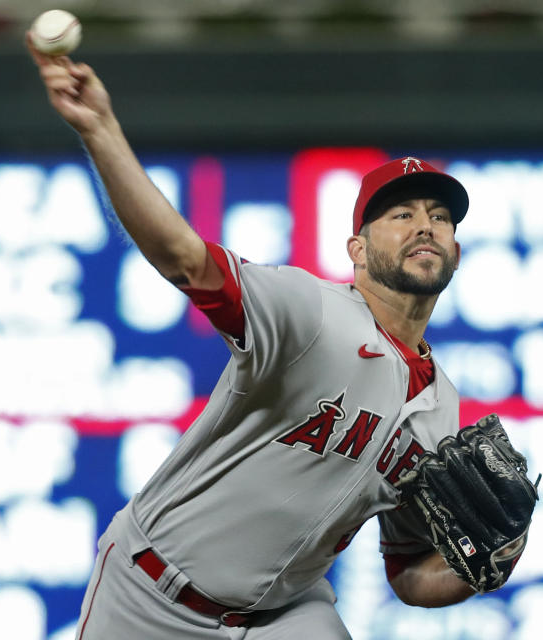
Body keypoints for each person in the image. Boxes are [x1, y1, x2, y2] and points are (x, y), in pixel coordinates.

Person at [27, 37, 476, 640]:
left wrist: (482, 565)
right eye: (400, 215)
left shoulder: (441, 409)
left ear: (455, 249)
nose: (425, 224)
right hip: (151, 594)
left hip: (285, 617)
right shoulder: (310, 311)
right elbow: (185, 259)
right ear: (358, 251)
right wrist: (102, 129)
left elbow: (407, 574)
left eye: (440, 217)